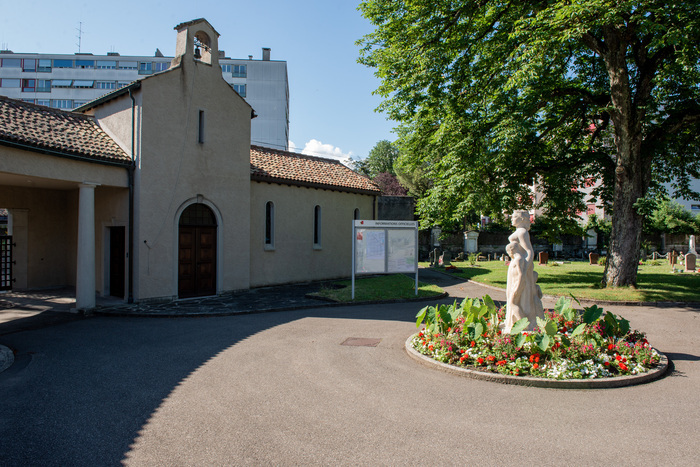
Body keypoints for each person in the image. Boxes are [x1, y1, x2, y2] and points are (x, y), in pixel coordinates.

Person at [503, 210, 544, 332]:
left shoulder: (522, 232)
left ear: (521, 219)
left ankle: (523, 323)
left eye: (514, 216)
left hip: (521, 266)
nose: (511, 218)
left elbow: (529, 251)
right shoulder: (519, 231)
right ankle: (511, 321)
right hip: (516, 265)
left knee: (520, 296)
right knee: (512, 294)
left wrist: (525, 269)